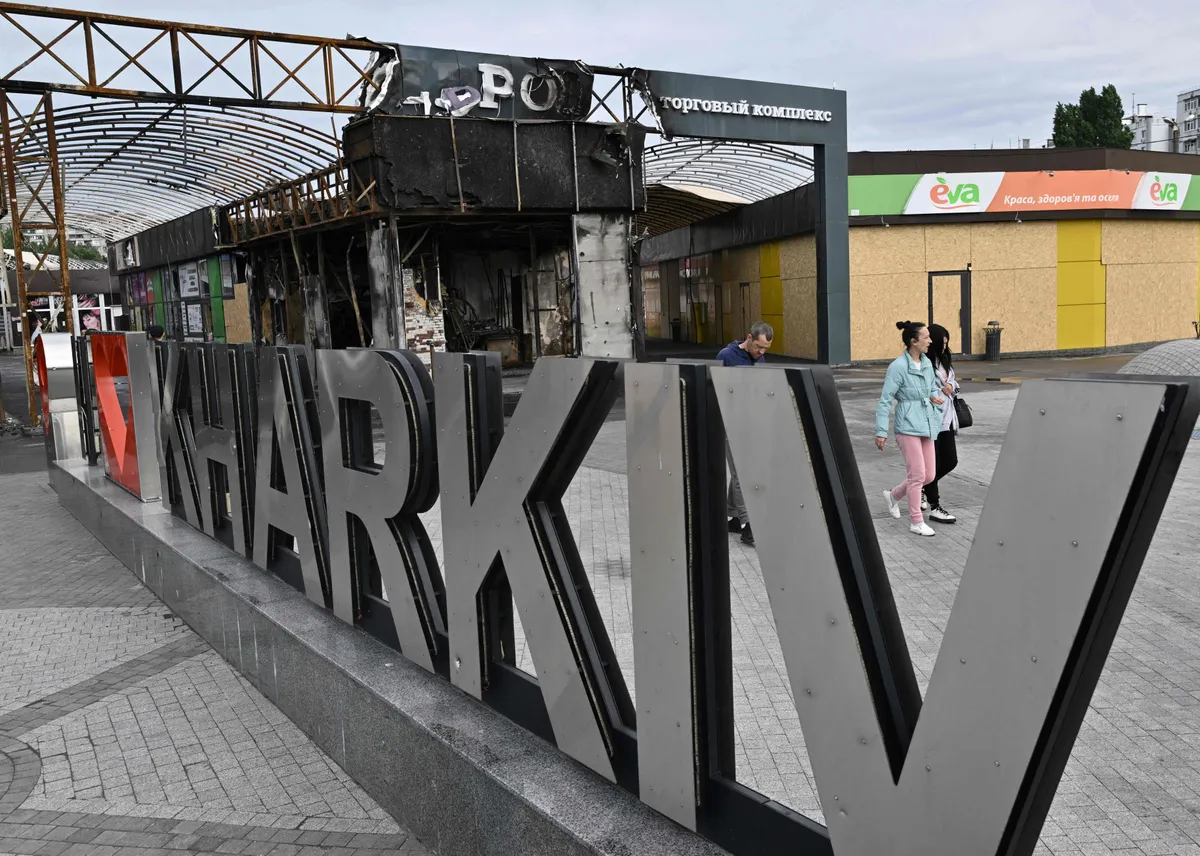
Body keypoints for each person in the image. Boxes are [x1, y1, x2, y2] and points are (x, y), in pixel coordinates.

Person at [875, 320, 945, 537]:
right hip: (907, 425)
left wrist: (935, 397)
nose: (930, 340)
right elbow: (885, 400)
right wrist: (880, 431)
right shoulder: (898, 367)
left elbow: (932, 387)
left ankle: (894, 495)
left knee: (929, 475)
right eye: (925, 337)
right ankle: (916, 521)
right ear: (913, 341)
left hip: (926, 421)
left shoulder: (926, 363)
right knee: (917, 475)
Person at [716, 321, 774, 546]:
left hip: (751, 424)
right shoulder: (726, 356)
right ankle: (748, 526)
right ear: (748, 338)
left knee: (742, 472)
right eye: (758, 347)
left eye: (765, 349)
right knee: (742, 474)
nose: (761, 352)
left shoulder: (760, 359)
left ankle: (732, 517)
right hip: (730, 422)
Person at [922, 324, 959, 525]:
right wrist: (935, 393)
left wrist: (951, 386)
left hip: (948, 419)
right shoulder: (923, 363)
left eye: (947, 343)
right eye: (942, 343)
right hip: (931, 420)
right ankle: (935, 506)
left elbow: (955, 382)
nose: (945, 347)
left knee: (951, 460)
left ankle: (921, 485)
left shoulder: (944, 361)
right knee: (931, 464)